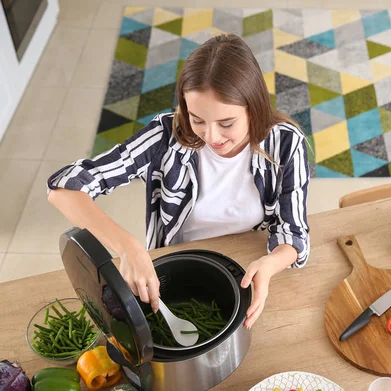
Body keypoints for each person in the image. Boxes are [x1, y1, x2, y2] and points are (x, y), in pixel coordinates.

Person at [47, 33, 310, 329]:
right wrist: (128, 248)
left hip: (246, 266)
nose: (211, 137)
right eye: (197, 119)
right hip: (179, 268)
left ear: (254, 107)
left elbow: (293, 233)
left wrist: (270, 265)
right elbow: (64, 189)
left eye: (226, 123)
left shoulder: (286, 143)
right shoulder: (165, 135)